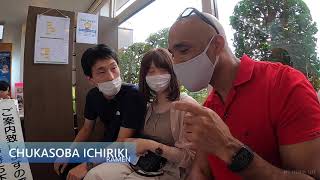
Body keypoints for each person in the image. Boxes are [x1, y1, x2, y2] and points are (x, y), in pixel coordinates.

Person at [168, 8, 320, 180]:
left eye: (184, 50)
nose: (176, 63)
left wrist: (229, 148)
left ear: (216, 45)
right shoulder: (209, 107)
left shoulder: (284, 84)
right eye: (172, 54)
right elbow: (201, 171)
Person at [84, 48, 197, 180]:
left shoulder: (186, 106)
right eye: (151, 72)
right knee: (94, 175)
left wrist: (151, 145)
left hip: (169, 169)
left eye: (163, 70)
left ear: (173, 71)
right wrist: (89, 164)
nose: (157, 76)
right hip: (137, 162)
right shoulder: (147, 106)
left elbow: (191, 158)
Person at [53, 44, 146, 180]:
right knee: (65, 167)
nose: (111, 76)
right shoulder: (93, 96)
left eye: (114, 68)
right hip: (106, 147)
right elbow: (86, 129)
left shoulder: (133, 95)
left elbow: (121, 142)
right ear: (91, 79)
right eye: (101, 72)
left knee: (88, 174)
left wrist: (86, 166)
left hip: (129, 153)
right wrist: (68, 153)